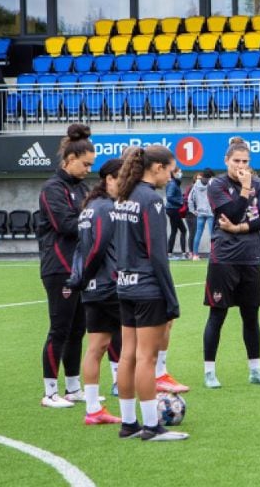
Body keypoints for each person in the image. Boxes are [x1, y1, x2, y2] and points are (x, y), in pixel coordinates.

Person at [113, 145, 187, 441]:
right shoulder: (151, 201)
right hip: (147, 287)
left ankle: (129, 423)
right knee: (147, 358)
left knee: (128, 356)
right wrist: (171, 297)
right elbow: (158, 254)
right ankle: (152, 425)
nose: (171, 177)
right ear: (157, 167)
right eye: (170, 170)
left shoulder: (123, 197)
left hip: (125, 285)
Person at [203, 137, 260, 388]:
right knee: (217, 314)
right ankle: (209, 372)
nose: (241, 165)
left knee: (251, 316)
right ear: (226, 161)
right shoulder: (217, 184)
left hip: (250, 256)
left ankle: (255, 369)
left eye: (245, 161)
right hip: (224, 258)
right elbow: (228, 214)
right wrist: (244, 190)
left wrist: (239, 228)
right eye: (236, 161)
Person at [37, 123, 95, 409]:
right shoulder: (52, 188)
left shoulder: (81, 187)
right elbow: (66, 225)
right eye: (85, 164)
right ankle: (49, 392)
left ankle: (73, 388)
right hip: (59, 267)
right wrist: (94, 223)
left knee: (77, 329)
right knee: (59, 328)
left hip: (80, 267)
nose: (88, 170)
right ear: (70, 160)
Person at [66, 158, 125, 425]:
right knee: (131, 347)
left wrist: (81, 280)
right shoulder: (107, 208)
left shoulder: (89, 207)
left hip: (93, 289)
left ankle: (93, 410)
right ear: (110, 179)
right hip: (110, 286)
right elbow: (98, 248)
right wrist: (88, 276)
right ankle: (133, 412)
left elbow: (81, 248)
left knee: (97, 347)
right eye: (123, 178)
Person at [190, 168, 214, 259]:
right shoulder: (212, 184)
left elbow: (190, 198)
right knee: (212, 234)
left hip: (200, 212)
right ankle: (213, 254)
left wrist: (192, 210)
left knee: (198, 233)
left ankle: (195, 255)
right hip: (210, 212)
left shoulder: (196, 184)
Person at [165, 168, 189, 260]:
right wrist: (181, 202)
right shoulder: (172, 184)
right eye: (179, 172)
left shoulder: (175, 183)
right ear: (174, 173)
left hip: (172, 209)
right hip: (173, 209)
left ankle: (171, 253)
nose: (181, 173)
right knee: (182, 230)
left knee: (175, 231)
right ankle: (178, 253)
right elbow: (169, 197)